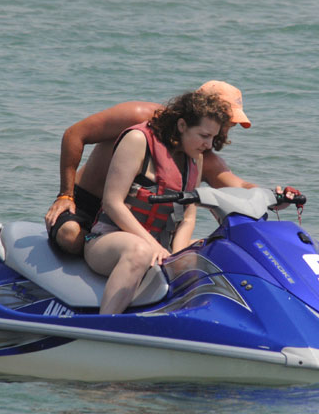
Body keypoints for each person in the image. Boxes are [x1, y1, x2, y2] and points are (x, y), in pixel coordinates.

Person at [44, 81, 258, 255]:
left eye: (228, 126)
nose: (223, 132)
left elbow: (239, 186)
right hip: (85, 204)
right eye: (224, 121)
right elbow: (74, 134)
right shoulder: (140, 118)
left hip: (132, 224)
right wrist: (65, 195)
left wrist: (277, 196)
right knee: (72, 237)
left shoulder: (199, 154)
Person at [83, 91, 233, 314]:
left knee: (222, 251)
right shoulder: (137, 140)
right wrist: (152, 245)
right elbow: (112, 202)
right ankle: (105, 325)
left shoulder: (196, 158)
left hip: (162, 244)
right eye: (203, 135)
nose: (208, 144)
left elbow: (188, 217)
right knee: (140, 251)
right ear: (182, 125)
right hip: (109, 240)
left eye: (213, 138)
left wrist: (178, 255)